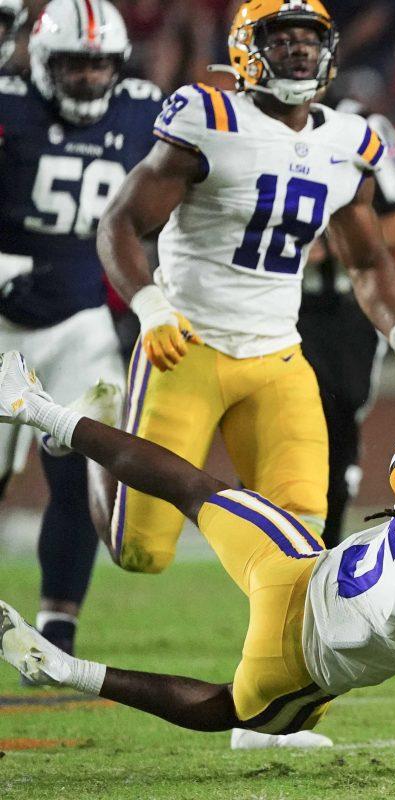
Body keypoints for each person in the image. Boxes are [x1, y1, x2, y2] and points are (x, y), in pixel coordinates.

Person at [0, 351, 395, 778]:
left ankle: (35, 408)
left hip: (293, 562)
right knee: (234, 709)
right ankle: (63, 667)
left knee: (194, 488)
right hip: (295, 651)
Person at [96, 0, 395, 576]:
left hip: (277, 357)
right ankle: (99, 447)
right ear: (246, 50)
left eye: (308, 39)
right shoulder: (207, 118)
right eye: (281, 38)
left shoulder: (349, 140)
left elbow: (367, 259)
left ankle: (282, 664)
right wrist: (151, 307)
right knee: (140, 553)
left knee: (301, 543)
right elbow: (120, 223)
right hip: (187, 345)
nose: (298, 49)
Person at [0, 0, 159, 661]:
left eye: (100, 66)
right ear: (41, 61)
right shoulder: (8, 105)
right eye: (73, 64)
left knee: (85, 473)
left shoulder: (144, 110)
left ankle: (58, 630)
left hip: (80, 323)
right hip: (3, 319)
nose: (90, 79)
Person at [297, 99, 395, 547]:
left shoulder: (362, 126)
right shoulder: (242, 122)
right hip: (267, 301)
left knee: (335, 424)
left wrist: (330, 245)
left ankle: (321, 554)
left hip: (341, 309)